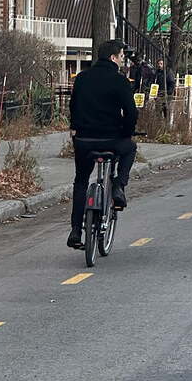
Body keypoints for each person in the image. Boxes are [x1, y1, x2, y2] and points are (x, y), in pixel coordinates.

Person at [67, 39, 138, 250]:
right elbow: (132, 112)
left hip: (84, 140)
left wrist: (76, 128)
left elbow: (73, 105)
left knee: (80, 182)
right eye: (122, 56)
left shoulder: (82, 78)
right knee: (130, 149)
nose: (123, 60)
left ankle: (75, 231)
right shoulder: (120, 81)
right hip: (111, 139)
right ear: (114, 58)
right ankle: (118, 186)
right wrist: (126, 132)